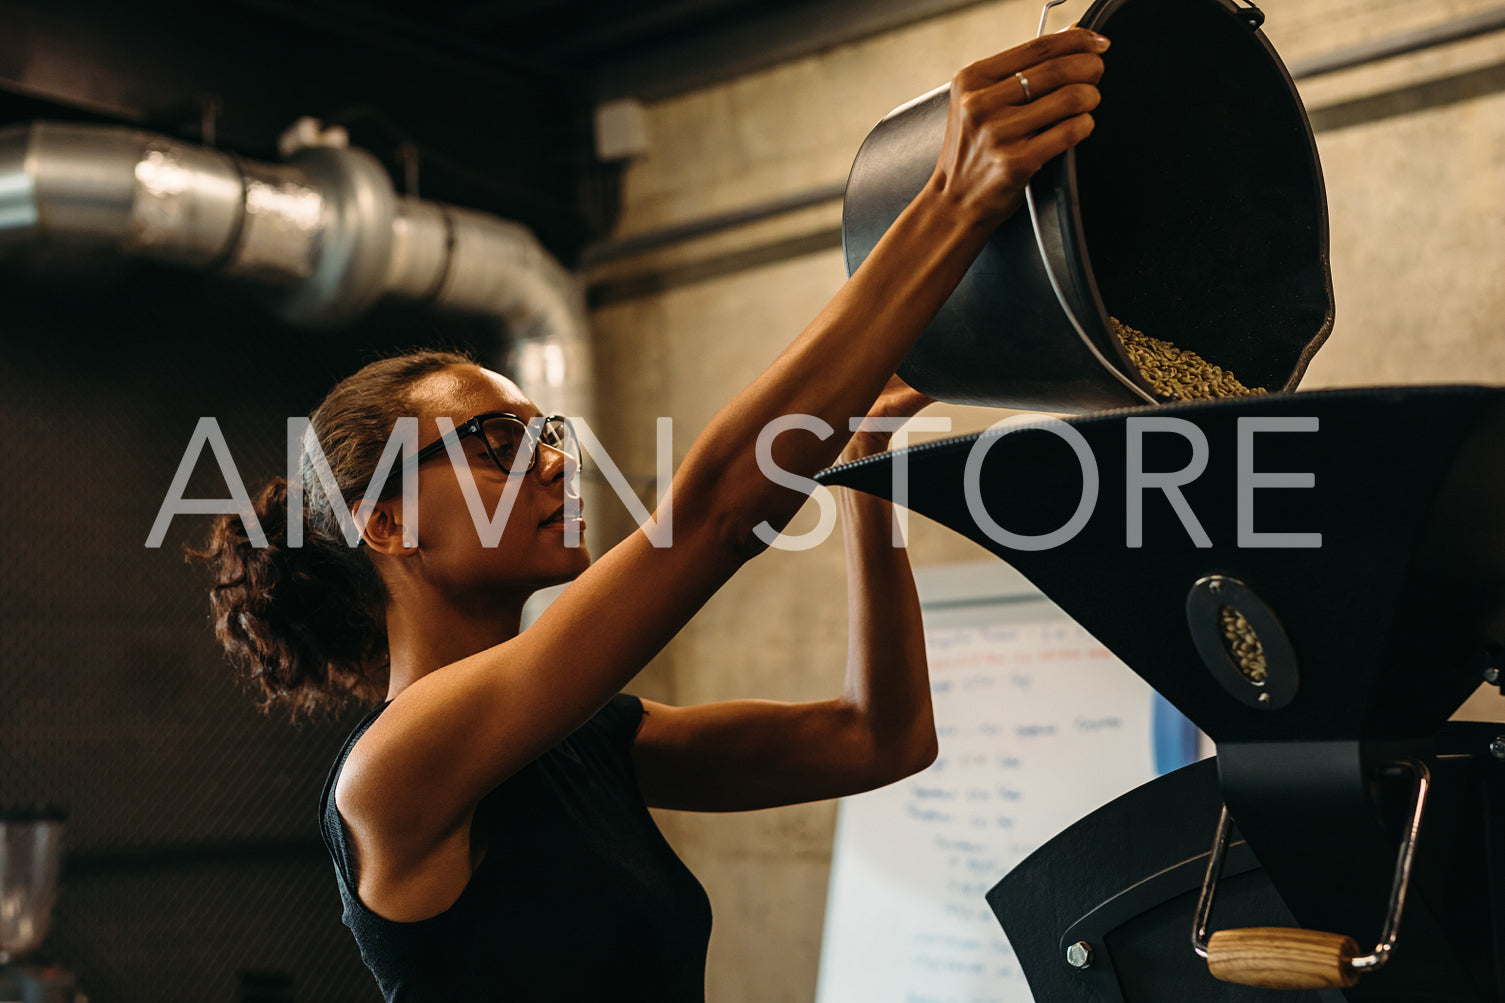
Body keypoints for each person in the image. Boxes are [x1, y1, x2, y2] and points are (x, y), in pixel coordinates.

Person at [192, 27, 1108, 1001]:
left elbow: (878, 738)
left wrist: (861, 464)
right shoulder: (393, 772)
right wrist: (949, 202)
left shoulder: (592, 739)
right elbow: (713, 513)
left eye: (543, 432)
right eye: (498, 442)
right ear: (387, 524)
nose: (555, 461)